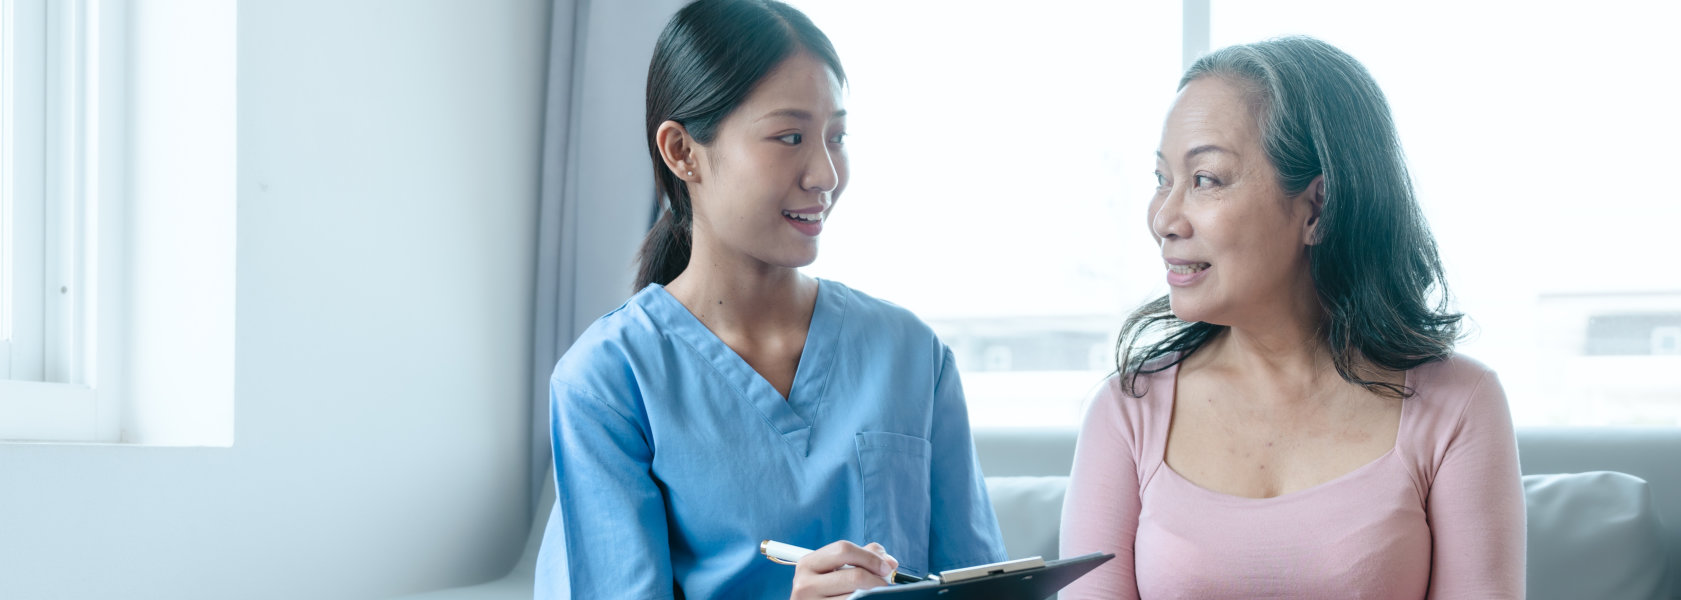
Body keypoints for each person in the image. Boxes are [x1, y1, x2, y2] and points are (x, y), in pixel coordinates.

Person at [533, 2, 1005, 597]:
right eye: (790, 137)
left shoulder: (911, 355)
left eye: (837, 136)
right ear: (682, 151)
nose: (826, 174)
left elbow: (982, 587)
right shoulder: (607, 381)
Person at [1059, 36, 1525, 599]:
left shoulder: (1459, 404)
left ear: (1318, 206)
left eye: (1205, 179)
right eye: (1162, 179)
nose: (1164, 217)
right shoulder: (1126, 413)